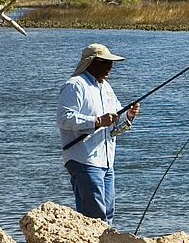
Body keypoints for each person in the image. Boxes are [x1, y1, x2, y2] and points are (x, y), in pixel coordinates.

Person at [57, 43, 141, 227]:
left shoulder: (106, 87)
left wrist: (128, 115)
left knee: (107, 213)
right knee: (94, 216)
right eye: (105, 62)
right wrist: (96, 121)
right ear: (91, 62)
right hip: (83, 159)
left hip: (106, 161)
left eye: (110, 63)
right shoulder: (75, 85)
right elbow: (64, 119)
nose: (110, 67)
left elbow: (115, 122)